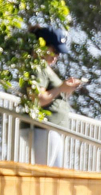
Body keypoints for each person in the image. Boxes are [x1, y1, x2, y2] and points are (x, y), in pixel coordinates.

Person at [25, 24, 83, 167]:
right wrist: (60, 88)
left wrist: (65, 89)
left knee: (53, 177)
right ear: (43, 46)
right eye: (55, 50)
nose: (57, 56)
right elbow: (38, 99)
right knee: (44, 175)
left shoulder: (46, 69)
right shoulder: (38, 67)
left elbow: (53, 95)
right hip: (42, 129)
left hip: (52, 129)